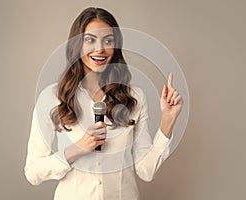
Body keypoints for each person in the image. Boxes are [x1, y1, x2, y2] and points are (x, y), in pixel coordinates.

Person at [24, 7, 183, 200]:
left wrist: (167, 121)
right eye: (90, 40)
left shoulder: (134, 98)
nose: (100, 49)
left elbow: (146, 171)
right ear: (77, 45)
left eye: (108, 40)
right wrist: (77, 149)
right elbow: (33, 172)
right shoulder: (52, 98)